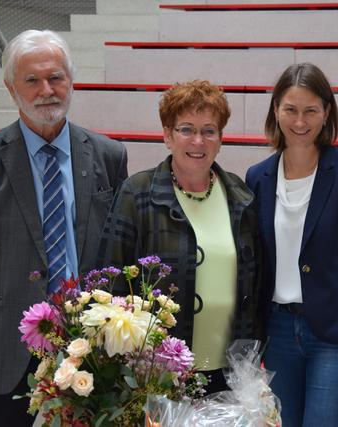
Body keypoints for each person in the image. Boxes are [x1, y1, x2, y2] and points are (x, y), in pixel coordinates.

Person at [0, 30, 128, 426]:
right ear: (12, 88)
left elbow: (117, 244)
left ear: (71, 81)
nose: (47, 90)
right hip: (7, 346)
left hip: (90, 344)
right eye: (32, 80)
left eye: (56, 77)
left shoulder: (108, 155)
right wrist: (10, 295)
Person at [99, 80, 261, 395]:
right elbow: (111, 283)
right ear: (167, 135)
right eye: (186, 129)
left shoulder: (241, 196)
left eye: (209, 130)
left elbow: (255, 287)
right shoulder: (137, 194)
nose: (198, 141)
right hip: (157, 369)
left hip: (230, 371)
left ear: (220, 138)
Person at [245, 63, 338, 427]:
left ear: (326, 112)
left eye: (310, 110)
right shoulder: (257, 177)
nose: (300, 121)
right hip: (278, 331)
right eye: (290, 109)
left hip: (335, 336)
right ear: (276, 109)